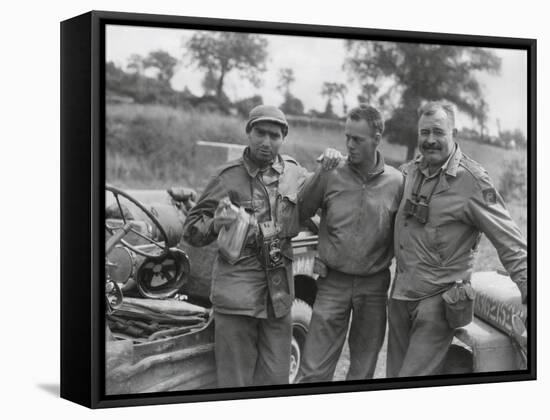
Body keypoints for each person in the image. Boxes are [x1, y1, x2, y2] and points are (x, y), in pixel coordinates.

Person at [183, 105, 335, 387]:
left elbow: (313, 208)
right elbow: (192, 231)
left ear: (283, 137)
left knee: (275, 378)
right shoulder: (226, 177)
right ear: (248, 133)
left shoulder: (294, 173)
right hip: (237, 290)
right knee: (235, 382)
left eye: (274, 135)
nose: (267, 142)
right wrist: (217, 224)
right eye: (260, 133)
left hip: (278, 293)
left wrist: (325, 172)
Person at [387, 100, 528, 377]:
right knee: (393, 378)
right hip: (400, 296)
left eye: (438, 132)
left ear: (454, 134)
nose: (430, 140)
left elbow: (510, 241)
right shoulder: (409, 172)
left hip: (438, 303)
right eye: (424, 133)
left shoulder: (472, 181)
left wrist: (531, 291)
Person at [296, 104, 403, 382]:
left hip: (374, 286)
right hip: (332, 283)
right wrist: (319, 173)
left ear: (377, 138)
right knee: (313, 370)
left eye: (358, 139)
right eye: (347, 138)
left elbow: (405, 235)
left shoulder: (397, 182)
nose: (349, 145)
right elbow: (301, 211)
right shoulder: (331, 172)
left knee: (363, 372)